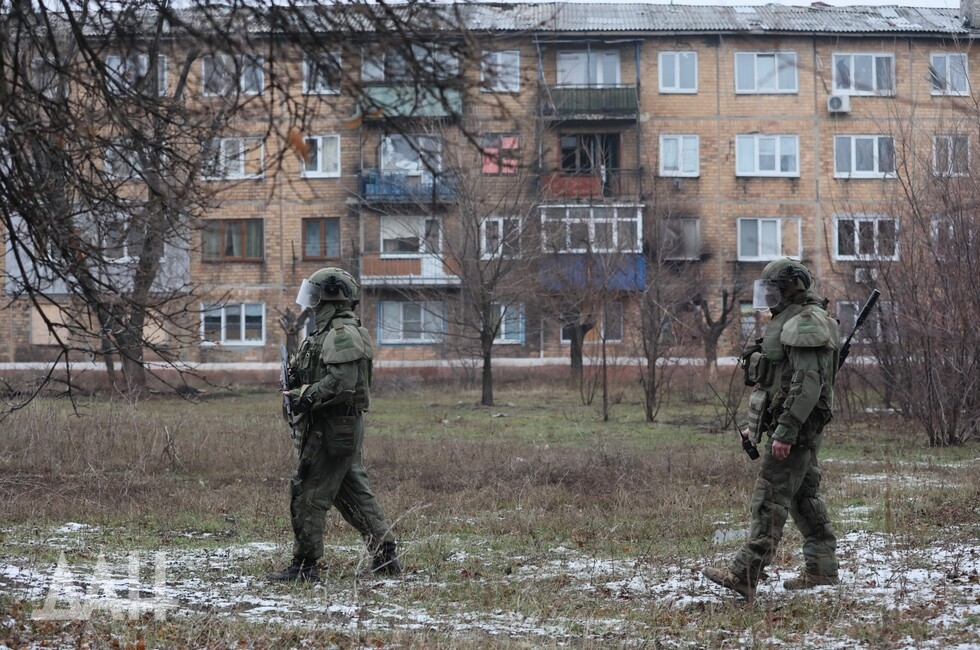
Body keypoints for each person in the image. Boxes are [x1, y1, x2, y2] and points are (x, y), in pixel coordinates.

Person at [703, 258, 841, 600]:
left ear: (791, 288)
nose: (767, 297)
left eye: (773, 290)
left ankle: (745, 574)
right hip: (797, 427)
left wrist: (785, 432)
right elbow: (780, 382)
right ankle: (822, 569)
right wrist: (761, 427)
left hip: (798, 429)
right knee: (804, 497)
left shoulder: (806, 322)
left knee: (770, 496)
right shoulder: (792, 318)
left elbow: (807, 384)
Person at [270, 267, 402, 582]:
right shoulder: (326, 332)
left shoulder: (341, 333)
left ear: (332, 296)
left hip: (333, 425)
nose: (310, 300)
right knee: (351, 491)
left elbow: (342, 383)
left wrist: (302, 396)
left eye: (315, 294)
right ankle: (385, 555)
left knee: (308, 490)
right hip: (332, 423)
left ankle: (305, 566)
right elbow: (321, 372)